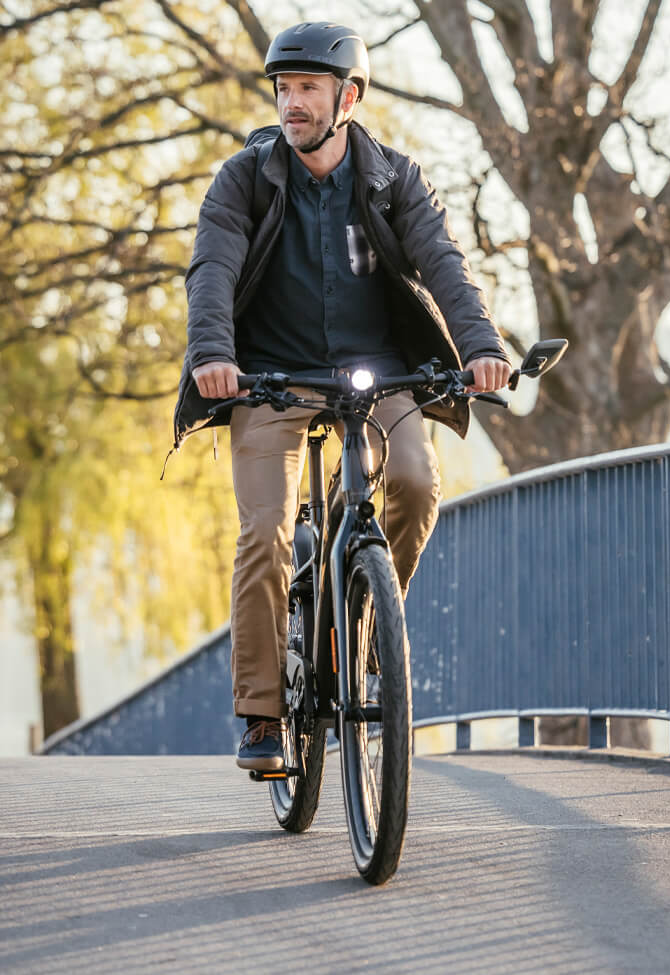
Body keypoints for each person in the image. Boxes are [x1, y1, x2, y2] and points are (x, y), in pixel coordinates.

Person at [170, 21, 512, 772]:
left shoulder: (394, 178)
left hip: (380, 372)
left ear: (348, 97)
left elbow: (444, 265)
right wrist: (214, 357)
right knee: (265, 533)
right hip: (270, 377)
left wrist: (482, 348)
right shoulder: (244, 180)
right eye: (284, 90)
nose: (292, 104)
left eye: (308, 90)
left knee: (418, 484)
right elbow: (212, 272)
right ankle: (262, 714)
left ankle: (364, 621)